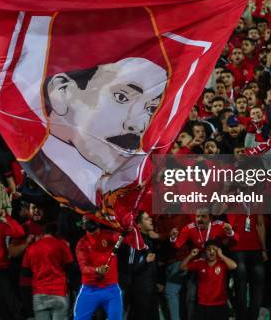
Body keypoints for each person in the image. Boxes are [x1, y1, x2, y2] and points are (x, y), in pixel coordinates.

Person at [26, 56, 168, 211]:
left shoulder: (113, 184)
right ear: (62, 91)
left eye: (151, 109)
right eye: (121, 97)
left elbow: (192, 204)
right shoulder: (33, 167)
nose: (138, 125)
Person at [73, 216, 124, 320]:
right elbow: (84, 268)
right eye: (90, 229)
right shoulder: (82, 244)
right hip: (90, 289)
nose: (94, 232)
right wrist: (97, 270)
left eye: (95, 228)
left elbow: (122, 238)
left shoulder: (108, 235)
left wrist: (125, 230)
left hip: (111, 288)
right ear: (83, 227)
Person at [22, 222, 74, 320]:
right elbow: (70, 266)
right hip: (59, 292)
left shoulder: (31, 248)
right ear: (56, 233)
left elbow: (25, 272)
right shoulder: (61, 245)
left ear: (43, 233)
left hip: (39, 293)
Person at [180, 241, 238, 320]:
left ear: (218, 251)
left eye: (214, 249)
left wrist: (221, 255)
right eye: (208, 249)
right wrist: (191, 255)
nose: (211, 252)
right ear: (205, 252)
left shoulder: (222, 263)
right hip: (202, 304)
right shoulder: (200, 263)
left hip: (220, 304)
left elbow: (234, 266)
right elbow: (182, 267)